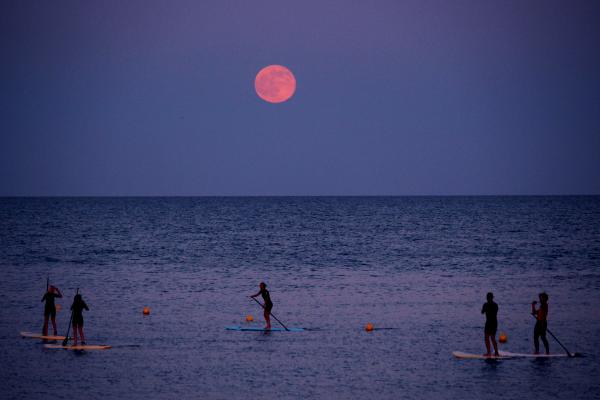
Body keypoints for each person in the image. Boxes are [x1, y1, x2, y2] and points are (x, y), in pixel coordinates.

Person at [481, 292, 500, 357]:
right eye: (488, 298)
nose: (488, 299)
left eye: (489, 298)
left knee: (492, 337)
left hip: (492, 323)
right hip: (490, 322)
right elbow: (482, 312)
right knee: (487, 337)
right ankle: (489, 352)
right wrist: (485, 308)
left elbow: (483, 312)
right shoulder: (491, 304)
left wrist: (486, 307)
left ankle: (496, 352)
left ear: (491, 298)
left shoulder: (493, 305)